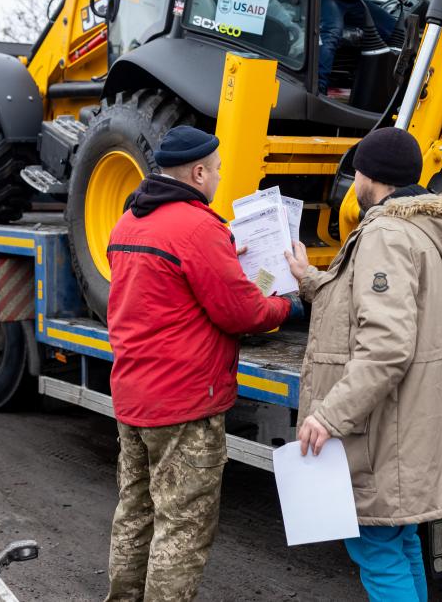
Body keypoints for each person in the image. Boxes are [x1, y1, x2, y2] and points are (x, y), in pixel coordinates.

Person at [104, 126, 302, 601]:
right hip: (184, 405)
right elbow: (244, 314)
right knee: (183, 529)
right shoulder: (198, 227)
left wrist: (221, 257)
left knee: (135, 514)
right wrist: (291, 306)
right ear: (198, 172)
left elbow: (164, 292)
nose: (217, 178)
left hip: (133, 396)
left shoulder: (128, 221)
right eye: (215, 171)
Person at [284, 127, 442, 601]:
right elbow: (361, 305)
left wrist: (329, 414)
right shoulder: (419, 230)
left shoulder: (385, 234)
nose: (354, 182)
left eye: (357, 172)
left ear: (371, 176)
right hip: (403, 424)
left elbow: (386, 345)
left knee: (375, 547)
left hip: (385, 430)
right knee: (398, 538)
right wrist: (308, 278)